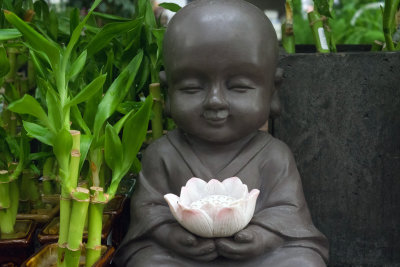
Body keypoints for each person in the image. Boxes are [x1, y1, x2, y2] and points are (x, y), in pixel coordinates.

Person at [113, 0, 328, 266]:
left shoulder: (274, 155)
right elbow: (149, 210)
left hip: (257, 257)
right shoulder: (163, 153)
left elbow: (288, 213)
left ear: (272, 91)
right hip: (182, 257)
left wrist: (260, 237)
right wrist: (171, 235)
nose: (215, 101)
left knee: (302, 261)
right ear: (168, 92)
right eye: (192, 87)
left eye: (238, 86)